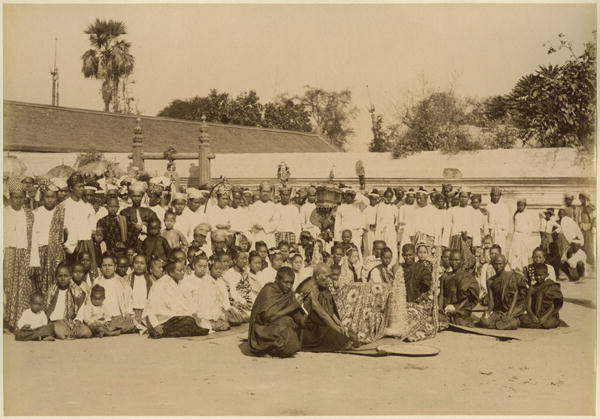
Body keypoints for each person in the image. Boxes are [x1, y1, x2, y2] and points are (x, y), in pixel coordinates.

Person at [4, 178, 40, 330]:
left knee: (23, 289)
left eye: (20, 197)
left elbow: (34, 240)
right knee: (7, 287)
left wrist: (33, 262)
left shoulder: (29, 215)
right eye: (15, 197)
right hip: (8, 255)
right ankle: (7, 321)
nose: (18, 200)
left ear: (24, 198)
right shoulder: (3, 213)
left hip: (25, 255)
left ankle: (19, 322)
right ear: (9, 197)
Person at [143, 260, 210, 338]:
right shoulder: (159, 285)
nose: (183, 272)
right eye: (180, 270)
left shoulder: (181, 283)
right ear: (171, 272)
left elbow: (187, 303)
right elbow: (151, 308)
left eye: (183, 270)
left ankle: (188, 329)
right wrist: (156, 325)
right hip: (164, 320)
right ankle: (163, 333)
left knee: (200, 323)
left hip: (178, 318)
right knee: (189, 321)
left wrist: (194, 314)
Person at [248, 266, 305, 357]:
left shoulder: (289, 293)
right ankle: (265, 348)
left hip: (277, 326)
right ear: (277, 279)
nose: (289, 286)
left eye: (291, 283)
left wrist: (306, 318)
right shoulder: (268, 290)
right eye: (286, 282)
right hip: (261, 330)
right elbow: (268, 317)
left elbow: (295, 314)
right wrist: (293, 307)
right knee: (286, 321)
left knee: (292, 325)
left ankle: (277, 347)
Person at [298, 263, 351, 352]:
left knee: (350, 334)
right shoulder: (308, 288)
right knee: (340, 339)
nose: (329, 280)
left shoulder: (321, 287)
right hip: (307, 328)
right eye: (326, 276)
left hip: (319, 323)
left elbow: (329, 310)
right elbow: (322, 314)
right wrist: (337, 329)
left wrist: (339, 324)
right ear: (318, 276)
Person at [479, 255, 528, 330]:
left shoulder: (512, 276)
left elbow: (515, 296)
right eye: (496, 264)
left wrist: (509, 314)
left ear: (505, 264)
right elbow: (491, 301)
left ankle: (505, 322)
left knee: (513, 323)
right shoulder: (490, 281)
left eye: (500, 264)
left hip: (513, 309)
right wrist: (488, 312)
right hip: (499, 311)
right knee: (484, 321)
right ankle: (503, 323)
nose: (498, 266)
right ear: (492, 264)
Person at [33, 184, 66, 296]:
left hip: (57, 253)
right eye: (47, 196)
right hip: (41, 251)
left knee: (56, 280)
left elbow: (67, 230)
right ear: (43, 198)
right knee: (41, 280)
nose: (50, 199)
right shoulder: (36, 212)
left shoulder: (61, 212)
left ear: (56, 198)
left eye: (52, 196)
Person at [46, 263, 91, 339]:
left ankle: (67, 334)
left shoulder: (77, 291)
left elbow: (81, 308)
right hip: (56, 322)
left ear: (70, 277)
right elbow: (46, 309)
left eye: (65, 276)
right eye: (60, 276)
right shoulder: (52, 291)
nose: (63, 278)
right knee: (57, 328)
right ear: (56, 277)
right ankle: (66, 334)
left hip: (70, 321)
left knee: (87, 331)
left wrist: (77, 322)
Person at [95, 254, 137, 334]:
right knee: (97, 324)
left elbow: (129, 300)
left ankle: (111, 329)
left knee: (131, 324)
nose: (107, 268)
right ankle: (111, 329)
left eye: (110, 265)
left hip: (118, 316)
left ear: (115, 267)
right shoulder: (97, 282)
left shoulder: (122, 281)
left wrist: (128, 313)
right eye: (104, 265)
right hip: (103, 317)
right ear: (101, 268)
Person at [63, 172, 96, 268]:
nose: (82, 189)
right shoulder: (63, 206)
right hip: (70, 246)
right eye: (79, 187)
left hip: (87, 244)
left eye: (83, 186)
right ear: (71, 188)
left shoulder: (88, 206)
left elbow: (92, 228)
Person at [440, 250, 480, 326]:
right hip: (447, 307)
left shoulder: (468, 277)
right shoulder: (445, 276)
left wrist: (456, 308)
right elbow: (441, 295)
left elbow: (470, 299)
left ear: (462, 261)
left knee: (459, 319)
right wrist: (440, 309)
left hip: (462, 308)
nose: (454, 262)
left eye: (457, 260)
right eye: (451, 260)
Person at [519, 264, 563, 329]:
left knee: (547, 323)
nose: (538, 277)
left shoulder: (551, 286)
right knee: (522, 319)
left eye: (541, 275)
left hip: (548, 314)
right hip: (535, 315)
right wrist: (532, 316)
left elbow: (554, 304)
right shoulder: (532, 288)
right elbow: (528, 306)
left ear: (547, 275)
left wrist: (545, 317)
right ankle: (539, 324)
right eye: (536, 275)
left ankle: (539, 324)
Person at [449, 190, 478, 271]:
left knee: (466, 262)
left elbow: (475, 228)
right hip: (455, 239)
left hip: (467, 240)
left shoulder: (472, 211)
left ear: (468, 198)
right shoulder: (453, 210)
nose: (463, 199)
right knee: (455, 260)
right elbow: (449, 226)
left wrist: (475, 244)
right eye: (461, 197)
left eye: (465, 197)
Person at [508, 199, 540, 272]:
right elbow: (513, 226)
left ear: (525, 206)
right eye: (519, 205)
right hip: (516, 236)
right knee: (515, 252)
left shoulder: (527, 215)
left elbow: (530, 226)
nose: (520, 207)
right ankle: (515, 267)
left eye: (522, 205)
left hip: (524, 236)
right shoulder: (516, 215)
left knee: (523, 252)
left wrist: (525, 233)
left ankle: (523, 268)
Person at [334, 188, 365, 259]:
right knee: (343, 252)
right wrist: (337, 238)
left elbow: (367, 202)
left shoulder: (358, 206)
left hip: (355, 233)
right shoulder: (341, 207)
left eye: (351, 196)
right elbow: (337, 224)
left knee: (356, 252)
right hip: (344, 235)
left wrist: (356, 194)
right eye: (347, 195)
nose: (349, 197)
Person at [248, 182, 278, 249]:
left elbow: (275, 223)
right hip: (257, 235)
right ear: (260, 192)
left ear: (270, 193)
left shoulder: (274, 206)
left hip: (269, 236)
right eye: (264, 191)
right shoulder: (254, 206)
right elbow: (251, 220)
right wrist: (257, 225)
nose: (265, 194)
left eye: (268, 191)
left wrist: (263, 226)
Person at [127, 254, 154, 323]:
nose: (139, 265)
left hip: (146, 311)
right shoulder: (127, 279)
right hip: (132, 311)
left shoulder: (150, 279)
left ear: (146, 266)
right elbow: (126, 298)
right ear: (132, 264)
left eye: (142, 263)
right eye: (136, 263)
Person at [375, 187, 399, 263]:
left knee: (392, 247)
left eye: (390, 197)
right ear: (384, 196)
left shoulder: (394, 207)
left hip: (391, 231)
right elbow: (378, 220)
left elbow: (396, 221)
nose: (388, 199)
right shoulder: (380, 206)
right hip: (382, 230)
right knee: (382, 247)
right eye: (387, 197)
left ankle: (392, 263)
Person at [486, 187, 510, 251]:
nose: (495, 197)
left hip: (501, 232)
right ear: (491, 196)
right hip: (492, 232)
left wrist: (505, 233)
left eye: (497, 195)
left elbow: (507, 221)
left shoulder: (504, 207)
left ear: (500, 196)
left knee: (501, 249)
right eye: (494, 195)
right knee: (491, 249)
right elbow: (486, 221)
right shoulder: (488, 207)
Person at [575, 192, 595, 265]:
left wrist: (592, 227)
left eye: (582, 198)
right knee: (581, 245)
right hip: (581, 228)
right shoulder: (579, 208)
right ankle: (581, 261)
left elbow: (593, 218)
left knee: (589, 245)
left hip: (589, 228)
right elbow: (577, 218)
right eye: (580, 198)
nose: (580, 200)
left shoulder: (590, 207)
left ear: (585, 199)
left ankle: (590, 261)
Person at [362, 190, 380, 257]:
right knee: (369, 248)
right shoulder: (366, 209)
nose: (374, 200)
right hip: (369, 232)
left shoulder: (379, 208)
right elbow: (363, 222)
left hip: (378, 232)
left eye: (375, 199)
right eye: (372, 199)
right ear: (370, 199)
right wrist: (369, 226)